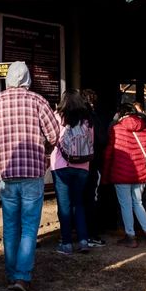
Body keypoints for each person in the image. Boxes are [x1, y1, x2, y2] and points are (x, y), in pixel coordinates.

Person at [0, 61, 60, 291]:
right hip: (33, 172)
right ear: (27, 79)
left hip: (6, 173)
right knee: (29, 227)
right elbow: (55, 135)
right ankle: (22, 277)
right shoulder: (38, 101)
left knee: (10, 226)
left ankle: (10, 274)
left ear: (7, 79)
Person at [103, 103, 146, 247]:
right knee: (138, 203)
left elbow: (109, 154)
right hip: (140, 174)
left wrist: (105, 174)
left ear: (121, 114)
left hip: (120, 174)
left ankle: (131, 237)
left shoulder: (116, 130)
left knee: (126, 205)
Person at [50, 90, 94, 255]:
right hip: (83, 166)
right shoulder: (87, 120)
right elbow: (92, 142)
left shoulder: (57, 116)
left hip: (61, 165)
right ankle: (83, 241)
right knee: (79, 203)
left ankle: (66, 243)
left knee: (64, 205)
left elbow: (51, 138)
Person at [81, 88, 109, 247]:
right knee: (91, 198)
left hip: (72, 163)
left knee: (76, 200)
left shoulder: (73, 116)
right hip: (92, 162)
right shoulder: (93, 118)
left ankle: (74, 233)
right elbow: (102, 138)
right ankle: (91, 234)